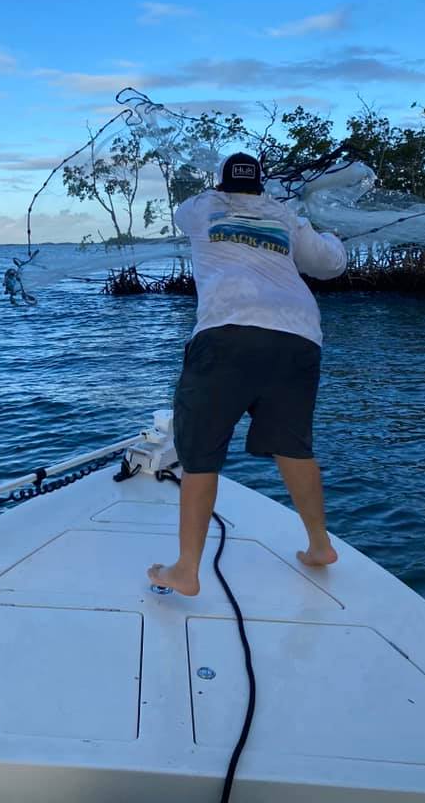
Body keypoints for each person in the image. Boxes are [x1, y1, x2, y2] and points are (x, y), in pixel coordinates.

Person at [148, 151, 347, 596]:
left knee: (200, 452)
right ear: (261, 186)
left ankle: (186, 569)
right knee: (294, 446)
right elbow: (330, 265)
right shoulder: (286, 216)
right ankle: (320, 546)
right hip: (297, 337)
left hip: (226, 334)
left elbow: (183, 215)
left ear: (222, 184)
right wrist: (328, 236)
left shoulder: (201, 209)